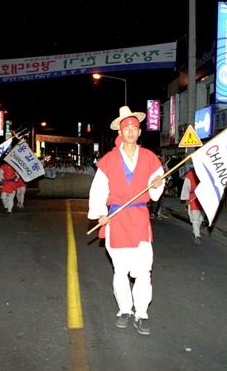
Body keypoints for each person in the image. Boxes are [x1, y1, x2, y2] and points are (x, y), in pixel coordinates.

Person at [87, 106, 164, 336]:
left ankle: (141, 313)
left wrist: (158, 184)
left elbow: (157, 183)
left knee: (143, 271)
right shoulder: (109, 160)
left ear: (139, 132)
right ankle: (124, 310)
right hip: (117, 219)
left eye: (134, 128)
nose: (130, 132)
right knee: (120, 270)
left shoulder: (150, 158)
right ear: (120, 132)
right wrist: (99, 213)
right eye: (126, 128)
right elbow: (99, 189)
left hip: (140, 219)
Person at [180, 166, 205, 244]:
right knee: (195, 218)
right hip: (193, 198)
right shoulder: (190, 174)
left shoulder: (205, 174)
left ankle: (195, 233)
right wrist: (186, 199)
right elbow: (186, 187)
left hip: (203, 198)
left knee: (200, 218)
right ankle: (197, 235)